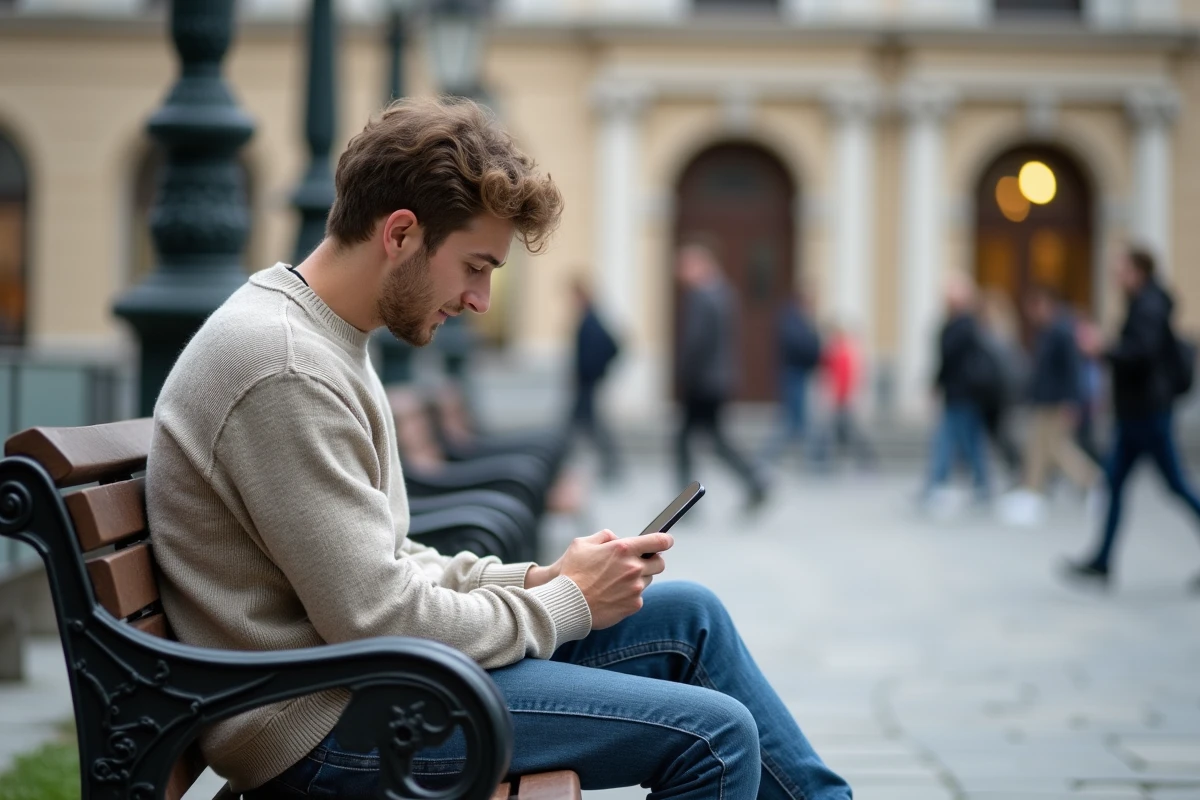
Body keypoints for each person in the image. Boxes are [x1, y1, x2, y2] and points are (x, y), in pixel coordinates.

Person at [146, 98, 850, 799]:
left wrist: (540, 580)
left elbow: (388, 567)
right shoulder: (285, 366)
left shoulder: (322, 340)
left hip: (366, 683)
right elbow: (380, 617)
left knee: (690, 617)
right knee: (716, 737)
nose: (480, 300)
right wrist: (570, 602)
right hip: (323, 728)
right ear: (400, 234)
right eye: (475, 266)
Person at [1063, 246, 1200, 591]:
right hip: (1137, 413)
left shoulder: (1149, 306)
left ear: (1138, 271)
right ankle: (1102, 561)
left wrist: (1102, 348)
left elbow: (1142, 354)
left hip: (1148, 413)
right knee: (1116, 484)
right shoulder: (1145, 304)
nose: (1115, 275)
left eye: (1121, 269)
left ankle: (1102, 561)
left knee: (1176, 485)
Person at [675, 242, 769, 511]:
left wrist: (685, 374)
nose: (680, 273)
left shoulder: (701, 296)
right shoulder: (725, 293)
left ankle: (685, 502)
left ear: (699, 265)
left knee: (689, 440)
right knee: (712, 439)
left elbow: (697, 340)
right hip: (718, 380)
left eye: (684, 266)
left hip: (702, 382)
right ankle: (754, 481)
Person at [999, 285, 1100, 526]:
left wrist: (1073, 401)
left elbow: (1072, 369)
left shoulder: (1062, 331)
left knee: (1054, 448)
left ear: (1045, 304)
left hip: (1057, 401)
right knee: (1038, 449)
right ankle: (1032, 495)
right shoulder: (1049, 331)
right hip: (1045, 399)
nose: (1031, 313)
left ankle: (1091, 480)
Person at [920, 273, 992, 510]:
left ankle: (937, 483)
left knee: (948, 438)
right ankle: (980, 483)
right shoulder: (963, 324)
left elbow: (948, 359)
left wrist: (936, 383)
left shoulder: (962, 326)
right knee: (967, 439)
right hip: (961, 392)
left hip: (962, 392)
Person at [760, 289, 821, 468]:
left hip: (799, 373)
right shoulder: (792, 320)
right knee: (792, 422)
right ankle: (766, 457)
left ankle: (813, 460)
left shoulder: (799, 319)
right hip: (793, 373)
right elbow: (800, 345)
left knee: (796, 421)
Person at [568, 277, 622, 481]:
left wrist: (596, 370)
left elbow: (613, 346)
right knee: (584, 425)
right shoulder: (587, 317)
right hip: (585, 382)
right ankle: (609, 466)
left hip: (588, 382)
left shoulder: (591, 319)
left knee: (593, 426)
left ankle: (612, 466)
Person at [811, 322, 876, 472]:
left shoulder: (842, 352)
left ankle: (822, 460)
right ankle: (823, 459)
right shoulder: (837, 352)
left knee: (842, 431)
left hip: (840, 399)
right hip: (839, 398)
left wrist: (839, 397)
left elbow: (844, 377)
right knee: (843, 432)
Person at [977, 289, 1026, 483]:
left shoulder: (995, 336)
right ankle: (1018, 473)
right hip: (998, 396)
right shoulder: (999, 334)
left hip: (1002, 396)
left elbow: (1004, 370)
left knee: (1004, 438)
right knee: (1000, 438)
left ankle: (1021, 472)